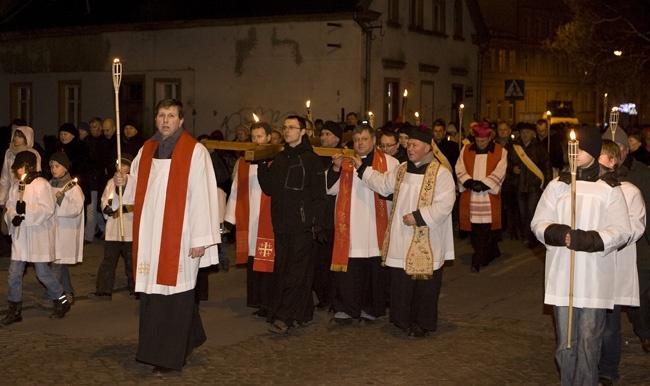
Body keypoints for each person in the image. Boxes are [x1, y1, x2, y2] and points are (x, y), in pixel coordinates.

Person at [113, 98, 221, 375]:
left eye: (171, 115)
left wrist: (200, 238)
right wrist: (124, 181)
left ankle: (169, 355)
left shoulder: (194, 152)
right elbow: (138, 183)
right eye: (161, 115)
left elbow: (203, 197)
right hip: (151, 234)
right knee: (153, 293)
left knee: (176, 294)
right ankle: (184, 338)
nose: (164, 120)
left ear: (181, 120)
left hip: (181, 236)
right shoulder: (147, 149)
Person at [531, 125, 632, 385]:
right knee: (566, 342)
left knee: (588, 341)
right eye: (572, 148)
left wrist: (588, 239)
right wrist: (558, 233)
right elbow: (538, 222)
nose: (574, 153)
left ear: (595, 150)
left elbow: (622, 231)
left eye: (582, 148)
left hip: (595, 277)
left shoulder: (610, 188)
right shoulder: (558, 185)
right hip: (563, 274)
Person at [352, 125, 455, 338]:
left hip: (427, 235)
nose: (409, 148)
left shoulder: (441, 173)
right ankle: (402, 319)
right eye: (408, 145)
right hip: (402, 234)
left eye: (414, 145)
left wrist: (418, 217)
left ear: (427, 148)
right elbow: (382, 184)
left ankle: (421, 323)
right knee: (401, 281)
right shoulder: (402, 169)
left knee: (423, 284)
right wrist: (363, 169)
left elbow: (445, 204)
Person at [256, 115, 327, 334]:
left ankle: (284, 317)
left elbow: (319, 195)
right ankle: (302, 313)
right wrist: (260, 163)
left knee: (296, 272)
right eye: (285, 127)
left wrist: (315, 223)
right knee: (285, 269)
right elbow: (269, 188)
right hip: (282, 223)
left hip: (302, 225)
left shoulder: (311, 159)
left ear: (303, 131)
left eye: (292, 127)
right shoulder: (280, 158)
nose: (287, 131)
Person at [327, 124, 400, 326]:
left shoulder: (391, 162)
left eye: (364, 139)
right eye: (357, 139)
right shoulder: (345, 161)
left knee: (373, 271)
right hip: (351, 224)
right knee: (350, 271)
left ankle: (370, 309)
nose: (360, 143)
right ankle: (345, 310)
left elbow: (392, 189)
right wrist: (334, 168)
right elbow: (330, 190)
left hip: (377, 223)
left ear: (374, 141)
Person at [597, 138, 645, 385]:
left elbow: (635, 227)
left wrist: (604, 238)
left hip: (613, 266)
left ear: (614, 161)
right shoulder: (586, 187)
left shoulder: (629, 190)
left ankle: (607, 369)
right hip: (589, 267)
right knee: (588, 324)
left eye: (600, 155)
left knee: (609, 325)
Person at [1, 151, 70, 325]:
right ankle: (14, 309)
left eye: (20, 167)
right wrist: (13, 216)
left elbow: (47, 208)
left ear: (30, 167)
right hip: (21, 237)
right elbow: (10, 205)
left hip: (37, 236)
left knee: (43, 273)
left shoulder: (42, 185)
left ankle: (61, 300)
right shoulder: (16, 186)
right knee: (14, 274)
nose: (18, 171)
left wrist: (27, 211)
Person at [606, 129, 650, 356]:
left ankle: (646, 333)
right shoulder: (596, 173)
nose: (615, 154)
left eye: (619, 149)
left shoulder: (641, 173)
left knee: (641, 294)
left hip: (639, 245)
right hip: (606, 246)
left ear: (626, 149)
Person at [224, 122, 275, 318]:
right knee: (253, 261)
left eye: (260, 136)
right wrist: (229, 218)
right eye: (254, 137)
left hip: (266, 220)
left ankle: (268, 302)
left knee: (266, 262)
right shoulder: (244, 162)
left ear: (268, 138)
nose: (256, 140)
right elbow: (236, 190)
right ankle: (255, 299)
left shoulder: (273, 161)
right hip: (249, 219)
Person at [455, 121, 507, 272]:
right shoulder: (466, 150)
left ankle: (478, 259)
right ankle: (485, 255)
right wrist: (469, 182)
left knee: (486, 230)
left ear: (490, 138)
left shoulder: (500, 151)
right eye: (478, 141)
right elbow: (459, 167)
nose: (480, 143)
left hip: (488, 196)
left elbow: (500, 170)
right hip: (472, 197)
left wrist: (484, 184)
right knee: (477, 230)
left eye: (483, 141)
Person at [39, 152, 84, 308]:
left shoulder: (73, 187)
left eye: (57, 166)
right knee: (60, 263)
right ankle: (68, 292)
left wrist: (61, 200)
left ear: (65, 168)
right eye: (51, 166)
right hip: (52, 230)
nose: (53, 169)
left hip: (65, 231)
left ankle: (50, 297)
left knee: (57, 264)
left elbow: (76, 209)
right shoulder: (49, 184)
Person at [89, 153, 136, 300]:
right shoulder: (110, 182)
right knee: (109, 260)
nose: (120, 168)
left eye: (124, 165)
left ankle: (136, 288)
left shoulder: (134, 181)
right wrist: (106, 207)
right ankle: (103, 290)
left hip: (128, 227)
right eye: (118, 164)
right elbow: (105, 198)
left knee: (131, 260)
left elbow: (135, 200)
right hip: (113, 227)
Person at [312, 120, 343, 311]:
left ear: (337, 138)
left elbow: (330, 187)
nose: (324, 138)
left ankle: (333, 297)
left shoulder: (344, 157)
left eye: (328, 134)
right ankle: (323, 296)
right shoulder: (316, 156)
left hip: (335, 216)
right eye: (322, 134)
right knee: (319, 262)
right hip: (318, 218)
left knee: (333, 261)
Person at [512, 123, 552, 247]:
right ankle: (526, 233)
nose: (525, 135)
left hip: (534, 186)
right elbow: (507, 162)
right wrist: (512, 168)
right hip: (519, 185)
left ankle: (528, 236)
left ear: (533, 134)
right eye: (523, 132)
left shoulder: (539, 147)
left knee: (531, 211)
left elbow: (546, 165)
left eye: (528, 132)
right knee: (522, 212)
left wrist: (547, 183)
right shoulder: (514, 147)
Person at [0, 126, 42, 209]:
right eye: (15, 136)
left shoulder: (33, 154)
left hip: (28, 194)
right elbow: (5, 177)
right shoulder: (9, 153)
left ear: (27, 138)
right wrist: (2, 198)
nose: (16, 138)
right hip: (11, 194)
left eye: (20, 137)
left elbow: (36, 174)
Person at [494, 121, 520, 240]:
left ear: (509, 131)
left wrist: (513, 168)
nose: (503, 132)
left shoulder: (516, 146)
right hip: (496, 181)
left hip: (511, 181)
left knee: (511, 208)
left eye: (505, 129)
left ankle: (512, 231)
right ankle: (497, 232)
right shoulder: (493, 145)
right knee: (497, 208)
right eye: (500, 129)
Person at [84, 117, 107, 243]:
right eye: (91, 127)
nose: (93, 130)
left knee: (95, 208)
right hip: (91, 179)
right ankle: (102, 230)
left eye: (95, 127)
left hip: (99, 179)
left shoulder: (103, 142)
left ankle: (89, 236)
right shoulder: (87, 141)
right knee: (93, 207)